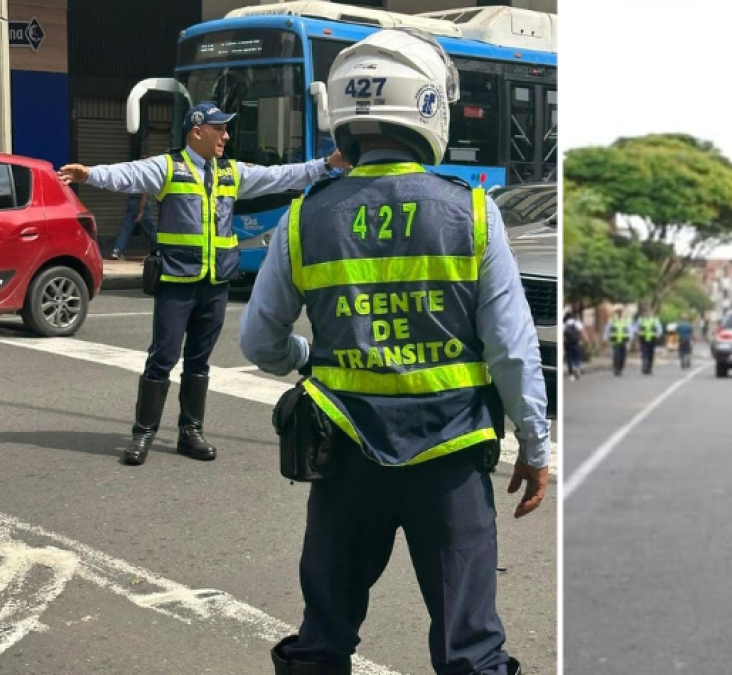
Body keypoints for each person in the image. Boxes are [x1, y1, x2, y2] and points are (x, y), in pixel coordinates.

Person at [238, 29, 549, 675]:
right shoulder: (472, 212)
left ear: (345, 117)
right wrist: (535, 445)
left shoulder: (303, 217)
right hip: (451, 457)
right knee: (469, 647)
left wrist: (307, 358)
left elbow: (259, 341)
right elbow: (512, 351)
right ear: (428, 107)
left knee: (323, 635)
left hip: (344, 454)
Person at [58, 102, 349, 466]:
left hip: (215, 284)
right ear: (197, 131)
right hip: (177, 280)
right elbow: (127, 174)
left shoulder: (231, 172)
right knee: (162, 358)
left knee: (199, 360)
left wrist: (325, 165)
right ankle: (143, 433)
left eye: (226, 129)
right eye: (219, 129)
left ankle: (190, 432)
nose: (226, 136)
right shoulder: (167, 167)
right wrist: (89, 174)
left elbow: (280, 176)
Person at [111, 153, 157, 260]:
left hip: (132, 202)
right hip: (141, 204)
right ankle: (157, 250)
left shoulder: (134, 173)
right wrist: (141, 212)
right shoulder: (147, 174)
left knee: (126, 228)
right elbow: (144, 195)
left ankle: (116, 250)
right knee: (151, 229)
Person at [604, 306, 631, 376]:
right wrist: (605, 339)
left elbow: (630, 331)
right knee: (616, 355)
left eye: (620, 312)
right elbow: (607, 329)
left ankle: (621, 368)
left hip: (624, 341)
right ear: (616, 313)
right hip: (615, 341)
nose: (619, 314)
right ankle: (616, 369)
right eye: (618, 312)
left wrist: (630, 341)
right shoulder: (612, 320)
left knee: (623, 356)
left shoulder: (626, 320)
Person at [635, 307, 663, 375]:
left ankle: (649, 368)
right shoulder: (640, 320)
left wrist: (658, 334)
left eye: (649, 312)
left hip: (652, 339)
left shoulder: (655, 320)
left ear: (652, 313)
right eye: (646, 312)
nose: (648, 313)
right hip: (643, 339)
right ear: (644, 313)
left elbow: (659, 329)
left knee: (651, 354)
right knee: (644, 353)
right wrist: (637, 334)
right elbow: (636, 328)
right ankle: (644, 367)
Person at [563, 310, 585, 380]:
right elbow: (582, 332)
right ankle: (576, 368)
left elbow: (563, 334)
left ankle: (571, 374)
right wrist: (583, 340)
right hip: (576, 342)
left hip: (568, 343)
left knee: (569, 358)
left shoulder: (565, 324)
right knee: (577, 356)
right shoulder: (577, 323)